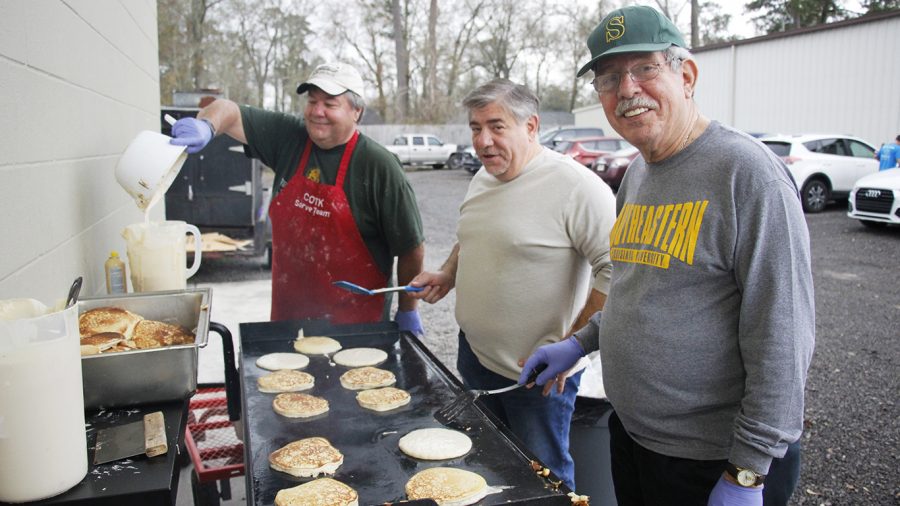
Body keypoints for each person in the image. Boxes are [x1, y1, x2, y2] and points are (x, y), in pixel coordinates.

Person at [520, 6, 814, 506]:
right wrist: (580, 343)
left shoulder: (746, 175)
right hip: (635, 439)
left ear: (687, 74)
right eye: (609, 78)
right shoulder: (638, 174)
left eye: (645, 69)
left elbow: (783, 335)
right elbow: (640, 289)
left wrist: (747, 471)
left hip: (713, 462)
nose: (627, 89)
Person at [408, 78, 616, 490]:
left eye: (496, 126)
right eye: (475, 127)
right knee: (488, 468)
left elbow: (617, 271)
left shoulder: (577, 187)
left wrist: (573, 345)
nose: (483, 141)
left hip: (536, 377)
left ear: (532, 126)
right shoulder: (483, 178)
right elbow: (472, 235)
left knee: (544, 478)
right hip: (475, 356)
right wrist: (448, 273)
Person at [169, 62, 425, 334]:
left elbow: (411, 248)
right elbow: (228, 111)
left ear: (356, 111)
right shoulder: (289, 138)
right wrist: (207, 126)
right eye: (312, 101)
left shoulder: (379, 166)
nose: (317, 112)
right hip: (288, 323)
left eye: (330, 104)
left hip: (357, 327)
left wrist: (408, 309)